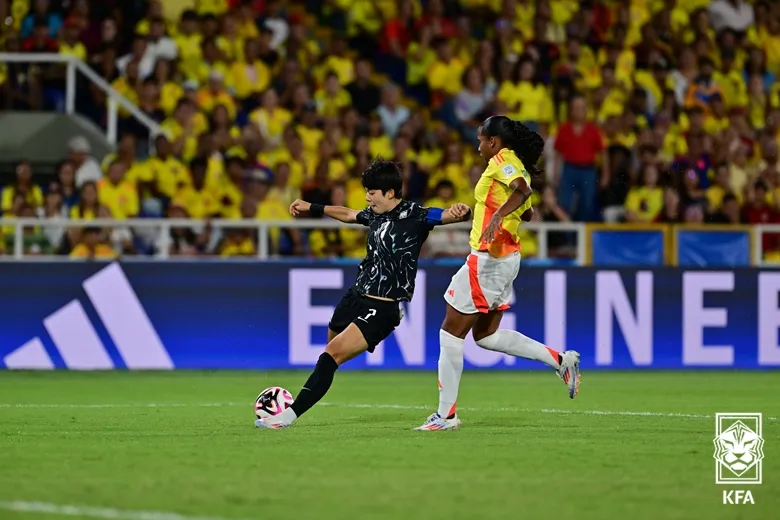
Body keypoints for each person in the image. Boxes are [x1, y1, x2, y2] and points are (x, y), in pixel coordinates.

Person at [255, 159, 472, 429]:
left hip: (382, 308)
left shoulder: (416, 215)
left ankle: (285, 417)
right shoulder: (374, 214)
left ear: (390, 192)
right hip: (355, 296)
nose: (367, 197)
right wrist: (312, 206)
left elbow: (445, 215)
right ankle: (330, 369)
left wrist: (461, 211)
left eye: (372, 192)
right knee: (330, 348)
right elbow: (348, 214)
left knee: (330, 355)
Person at [415, 116, 581, 432]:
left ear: (494, 141)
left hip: (488, 260)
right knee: (486, 336)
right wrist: (509, 211)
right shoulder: (513, 161)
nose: (478, 147)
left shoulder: (503, 160)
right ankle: (561, 361)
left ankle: (446, 416)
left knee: (450, 334)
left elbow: (522, 190)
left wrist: (498, 217)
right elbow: (527, 207)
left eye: (481, 140)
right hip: (505, 259)